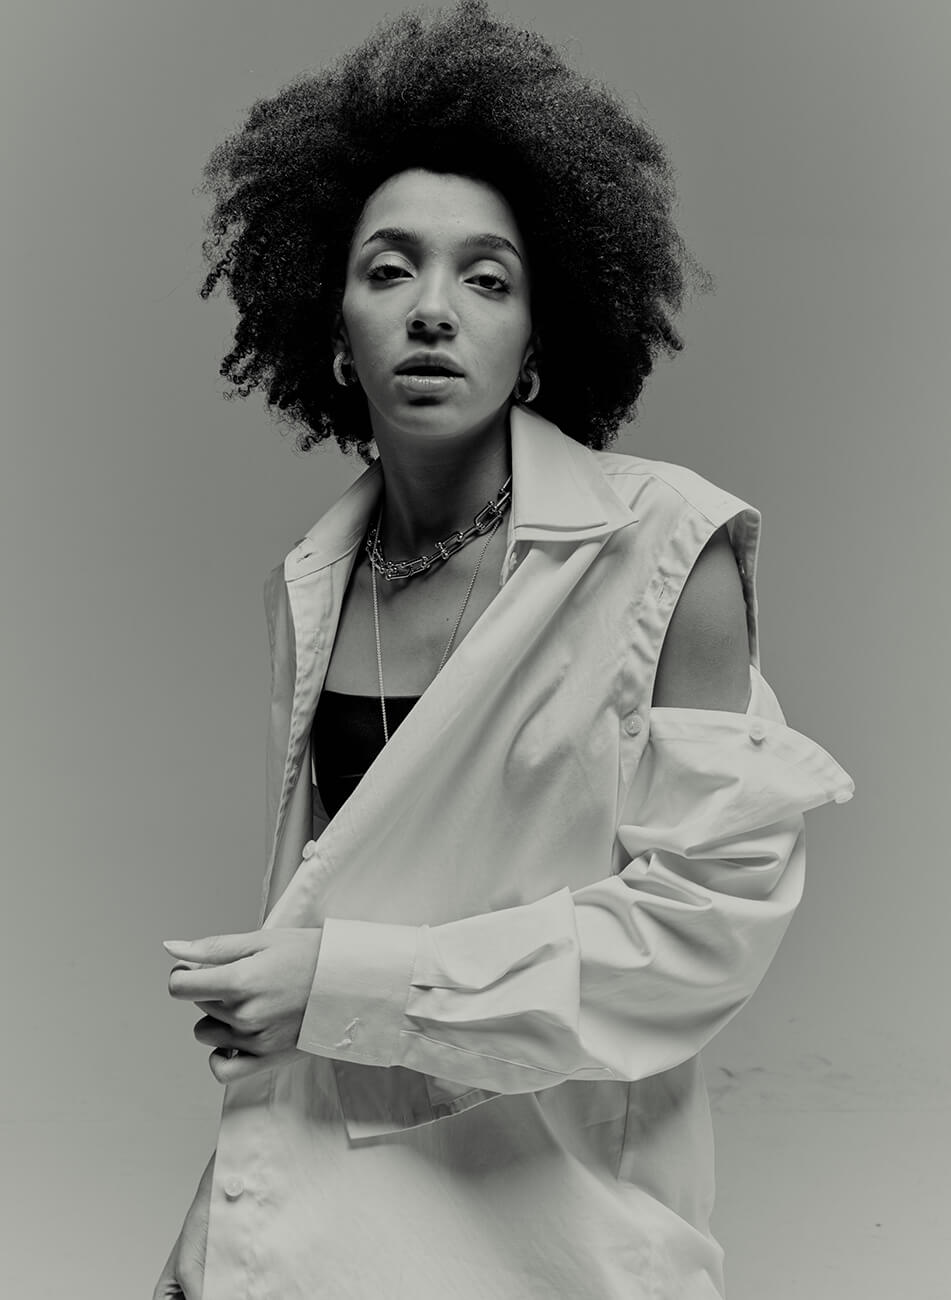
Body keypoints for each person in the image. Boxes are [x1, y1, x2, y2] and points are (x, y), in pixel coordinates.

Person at [154, 3, 855, 1297]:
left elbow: (700, 942)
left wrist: (342, 983)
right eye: (389, 271)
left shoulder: (667, 553)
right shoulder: (313, 584)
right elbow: (321, 933)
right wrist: (212, 1234)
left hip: (552, 1240)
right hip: (311, 1229)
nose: (434, 310)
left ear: (541, 334)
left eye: (487, 279)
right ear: (332, 327)